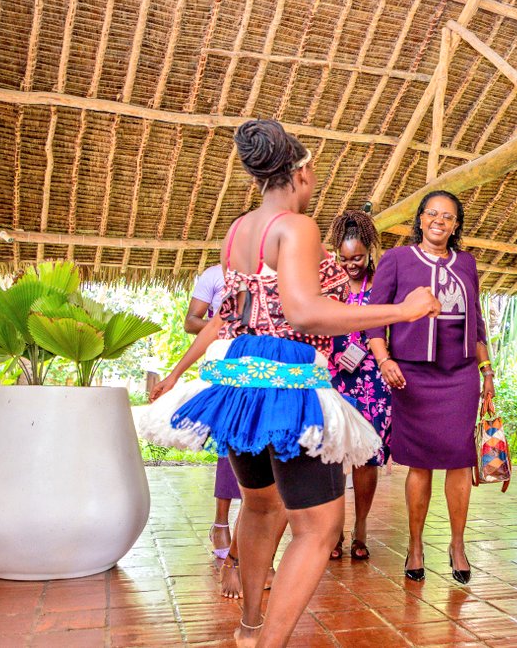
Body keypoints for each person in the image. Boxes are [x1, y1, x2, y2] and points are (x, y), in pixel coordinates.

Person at [148, 119, 440, 648]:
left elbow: (228, 318)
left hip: (240, 376)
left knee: (260, 507)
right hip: (285, 381)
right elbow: (305, 314)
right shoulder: (298, 228)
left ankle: (250, 628)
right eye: (313, 174)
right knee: (320, 528)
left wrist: (181, 371)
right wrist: (402, 309)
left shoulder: (237, 232)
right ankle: (269, 644)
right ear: (301, 173)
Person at [366, 191, 495, 585]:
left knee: (460, 461)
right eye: (433, 214)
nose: (440, 220)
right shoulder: (396, 260)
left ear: (456, 226)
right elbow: (373, 319)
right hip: (412, 376)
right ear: (420, 219)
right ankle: (416, 545)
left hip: (460, 375)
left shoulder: (467, 264)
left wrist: (487, 372)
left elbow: (477, 323)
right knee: (419, 463)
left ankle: (457, 545)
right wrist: (385, 359)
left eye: (449, 216)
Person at [326, 211, 392, 562]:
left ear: (369, 252)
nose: (351, 265)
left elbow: (391, 326)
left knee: (366, 458)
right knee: (334, 455)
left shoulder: (382, 283)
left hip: (372, 380)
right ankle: (333, 529)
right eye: (344, 258)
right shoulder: (327, 284)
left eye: (358, 258)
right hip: (334, 377)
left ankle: (361, 526)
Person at [184, 263, 248, 597]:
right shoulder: (213, 276)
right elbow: (190, 321)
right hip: (224, 365)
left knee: (251, 446)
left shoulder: (270, 272)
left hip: (258, 367)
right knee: (226, 445)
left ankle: (247, 533)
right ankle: (221, 522)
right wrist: (226, 326)